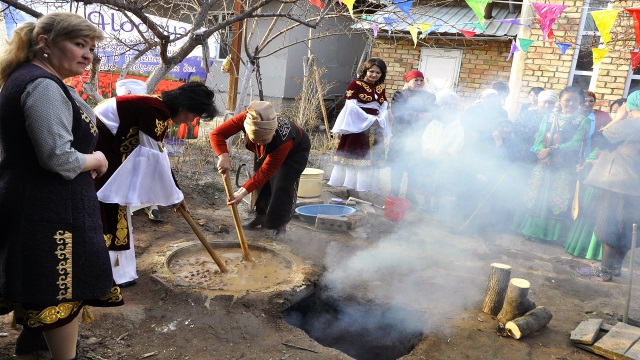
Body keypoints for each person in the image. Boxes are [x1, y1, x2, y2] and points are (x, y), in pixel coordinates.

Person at [0, 12, 123, 359]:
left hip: (38, 201)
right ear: (45, 44)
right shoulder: (42, 85)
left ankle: (32, 343)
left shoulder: (29, 79)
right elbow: (58, 157)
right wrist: (97, 160)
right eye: (79, 44)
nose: (88, 55)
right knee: (60, 286)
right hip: (50, 209)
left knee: (38, 278)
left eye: (91, 48)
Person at [94, 81, 216, 287]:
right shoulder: (155, 110)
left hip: (113, 151)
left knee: (117, 210)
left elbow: (160, 154)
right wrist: (175, 197)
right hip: (103, 149)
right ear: (184, 107)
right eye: (194, 115)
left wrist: (177, 193)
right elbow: (155, 159)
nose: (191, 120)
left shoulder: (159, 109)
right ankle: (112, 273)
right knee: (113, 209)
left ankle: (119, 272)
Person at [209, 101, 311, 239]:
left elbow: (266, 172)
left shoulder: (284, 140)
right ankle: (260, 216)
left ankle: (279, 224)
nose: (260, 143)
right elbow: (216, 134)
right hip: (267, 151)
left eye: (264, 140)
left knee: (282, 185)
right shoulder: (246, 118)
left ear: (272, 132)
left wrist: (242, 193)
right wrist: (223, 155)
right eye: (256, 140)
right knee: (261, 184)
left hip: (294, 153)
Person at [512, 86, 591, 242]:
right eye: (567, 100)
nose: (570, 104)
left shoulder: (583, 120)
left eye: (574, 101)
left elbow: (576, 143)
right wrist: (542, 154)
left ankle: (546, 234)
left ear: (580, 102)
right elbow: (539, 139)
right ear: (560, 101)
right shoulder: (549, 117)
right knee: (535, 194)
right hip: (543, 163)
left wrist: (552, 150)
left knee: (554, 199)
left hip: (563, 165)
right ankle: (528, 229)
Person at [576, 91, 640, 281]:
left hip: (617, 185)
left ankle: (604, 270)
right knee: (628, 227)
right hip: (636, 189)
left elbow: (599, 141)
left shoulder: (629, 125)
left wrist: (618, 118)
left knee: (609, 224)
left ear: (630, 105)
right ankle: (615, 268)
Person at [328, 58, 391, 196]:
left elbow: (384, 105)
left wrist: (379, 119)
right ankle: (351, 190)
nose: (374, 75)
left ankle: (364, 188)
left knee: (372, 159)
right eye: (371, 71)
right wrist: (368, 120)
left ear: (382, 74)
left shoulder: (381, 87)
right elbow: (351, 105)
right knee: (357, 157)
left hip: (376, 126)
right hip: (358, 127)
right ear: (365, 71)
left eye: (378, 73)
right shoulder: (355, 84)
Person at [114, 78, 164, 222]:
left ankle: (152, 205)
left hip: (141, 157)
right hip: (117, 157)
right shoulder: (113, 112)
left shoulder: (148, 116)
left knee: (153, 164)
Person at [387, 70, 435, 204]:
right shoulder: (400, 95)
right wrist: (419, 115)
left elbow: (432, 113)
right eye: (416, 80)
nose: (419, 83)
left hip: (420, 136)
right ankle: (394, 191)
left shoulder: (430, 96)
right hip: (401, 135)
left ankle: (410, 193)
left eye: (421, 80)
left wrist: (425, 116)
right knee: (398, 165)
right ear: (408, 81)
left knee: (414, 166)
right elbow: (398, 112)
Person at [421, 90, 465, 213]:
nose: (448, 108)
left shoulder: (457, 126)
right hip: (431, 157)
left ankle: (436, 204)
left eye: (452, 105)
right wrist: (428, 149)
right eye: (446, 105)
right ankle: (426, 204)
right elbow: (425, 137)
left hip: (446, 159)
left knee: (441, 182)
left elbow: (458, 142)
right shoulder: (433, 124)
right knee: (428, 181)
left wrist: (448, 153)